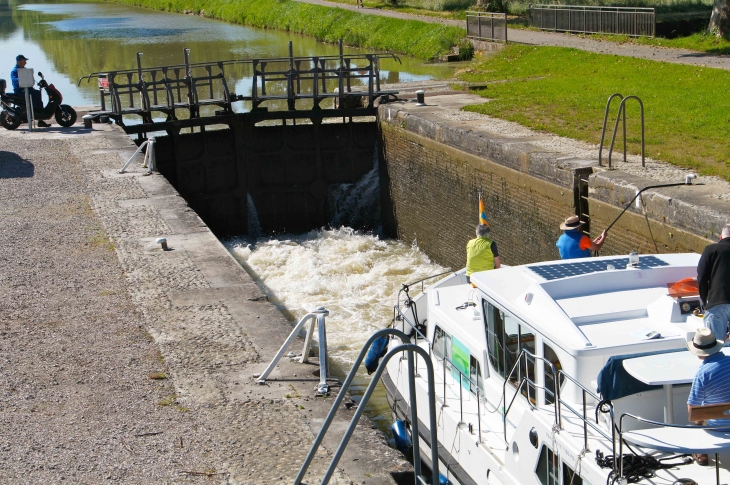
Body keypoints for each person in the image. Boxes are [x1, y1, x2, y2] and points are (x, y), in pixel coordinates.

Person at [686, 327, 730, 466]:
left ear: (699, 353)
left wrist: (698, 423)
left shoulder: (703, 373)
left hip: (718, 427)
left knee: (697, 416)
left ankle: (701, 453)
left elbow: (692, 410)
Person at [697, 223, 730, 341]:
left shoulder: (710, 250)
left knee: (714, 346)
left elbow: (701, 277)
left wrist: (705, 302)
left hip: (717, 302)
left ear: (721, 237)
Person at [10, 55, 49, 127]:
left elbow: (29, 78)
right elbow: (14, 81)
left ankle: (39, 116)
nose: (25, 62)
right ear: (19, 61)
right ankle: (33, 112)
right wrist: (23, 79)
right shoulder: (14, 71)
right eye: (24, 61)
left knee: (37, 93)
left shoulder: (24, 69)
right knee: (34, 94)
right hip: (19, 90)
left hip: (27, 88)